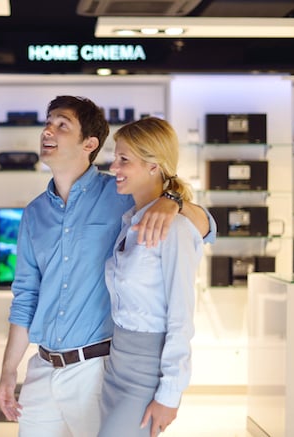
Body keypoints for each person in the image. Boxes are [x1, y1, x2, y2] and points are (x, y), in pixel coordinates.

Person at [0, 96, 215, 437]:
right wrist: (9, 371)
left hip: (96, 369)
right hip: (41, 368)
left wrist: (171, 202)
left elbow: (206, 227)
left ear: (90, 144)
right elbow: (26, 297)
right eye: (48, 121)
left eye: (61, 124)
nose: (47, 130)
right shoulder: (34, 213)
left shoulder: (122, 193)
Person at [99, 117, 203, 437]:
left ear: (154, 166)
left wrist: (170, 394)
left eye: (124, 160)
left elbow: (181, 316)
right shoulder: (129, 221)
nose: (114, 166)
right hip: (115, 364)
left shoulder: (177, 229)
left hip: (147, 371)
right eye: (115, 157)